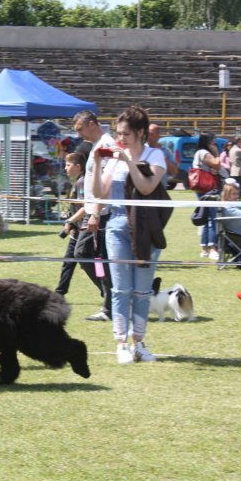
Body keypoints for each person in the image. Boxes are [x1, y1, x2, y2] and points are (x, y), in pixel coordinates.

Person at [91, 105, 168, 364]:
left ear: (140, 133)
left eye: (125, 134)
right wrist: (99, 162)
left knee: (142, 289)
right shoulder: (113, 158)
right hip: (116, 225)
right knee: (121, 288)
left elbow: (147, 188)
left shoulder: (154, 155)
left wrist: (129, 162)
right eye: (117, 134)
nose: (120, 139)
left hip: (145, 228)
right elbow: (99, 194)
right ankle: (121, 342)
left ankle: (140, 342)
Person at [73, 110, 114, 321]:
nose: (79, 135)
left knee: (90, 255)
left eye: (80, 129)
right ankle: (111, 299)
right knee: (93, 256)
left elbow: (105, 183)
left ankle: (111, 302)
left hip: (101, 213)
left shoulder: (106, 145)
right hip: (93, 211)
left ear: (92, 124)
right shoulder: (97, 145)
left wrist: (96, 213)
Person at [55, 152, 86, 295]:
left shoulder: (82, 182)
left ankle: (106, 292)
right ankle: (60, 292)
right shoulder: (77, 182)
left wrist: (69, 221)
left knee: (91, 264)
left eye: (68, 165)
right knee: (68, 261)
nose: (65, 168)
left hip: (84, 231)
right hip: (76, 230)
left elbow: (86, 207)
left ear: (78, 166)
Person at [192, 133, 221, 260]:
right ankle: (212, 248)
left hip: (202, 188)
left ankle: (204, 248)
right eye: (213, 142)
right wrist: (217, 153)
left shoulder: (199, 152)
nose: (214, 144)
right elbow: (217, 164)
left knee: (205, 217)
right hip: (207, 188)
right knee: (212, 218)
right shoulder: (204, 152)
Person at [146, 123, 178, 189]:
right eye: (147, 134)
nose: (148, 136)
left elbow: (174, 171)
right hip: (144, 188)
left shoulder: (165, 151)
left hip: (160, 190)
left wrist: (163, 159)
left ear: (158, 136)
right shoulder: (142, 150)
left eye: (151, 134)